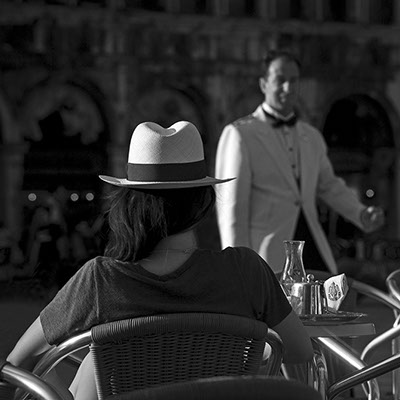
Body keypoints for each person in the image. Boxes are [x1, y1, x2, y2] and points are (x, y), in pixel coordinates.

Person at [7, 121, 313, 400]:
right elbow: (300, 350)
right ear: (203, 202)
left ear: (129, 205)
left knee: (89, 365)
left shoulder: (100, 280)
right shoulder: (247, 270)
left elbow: (18, 363)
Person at [215, 49, 385, 274]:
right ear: (264, 84)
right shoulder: (239, 134)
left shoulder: (311, 136)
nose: (288, 88)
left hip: (312, 249)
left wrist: (360, 213)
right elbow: (231, 208)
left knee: (329, 304)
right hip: (265, 255)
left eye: (293, 80)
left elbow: (329, 186)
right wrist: (236, 267)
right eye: (280, 80)